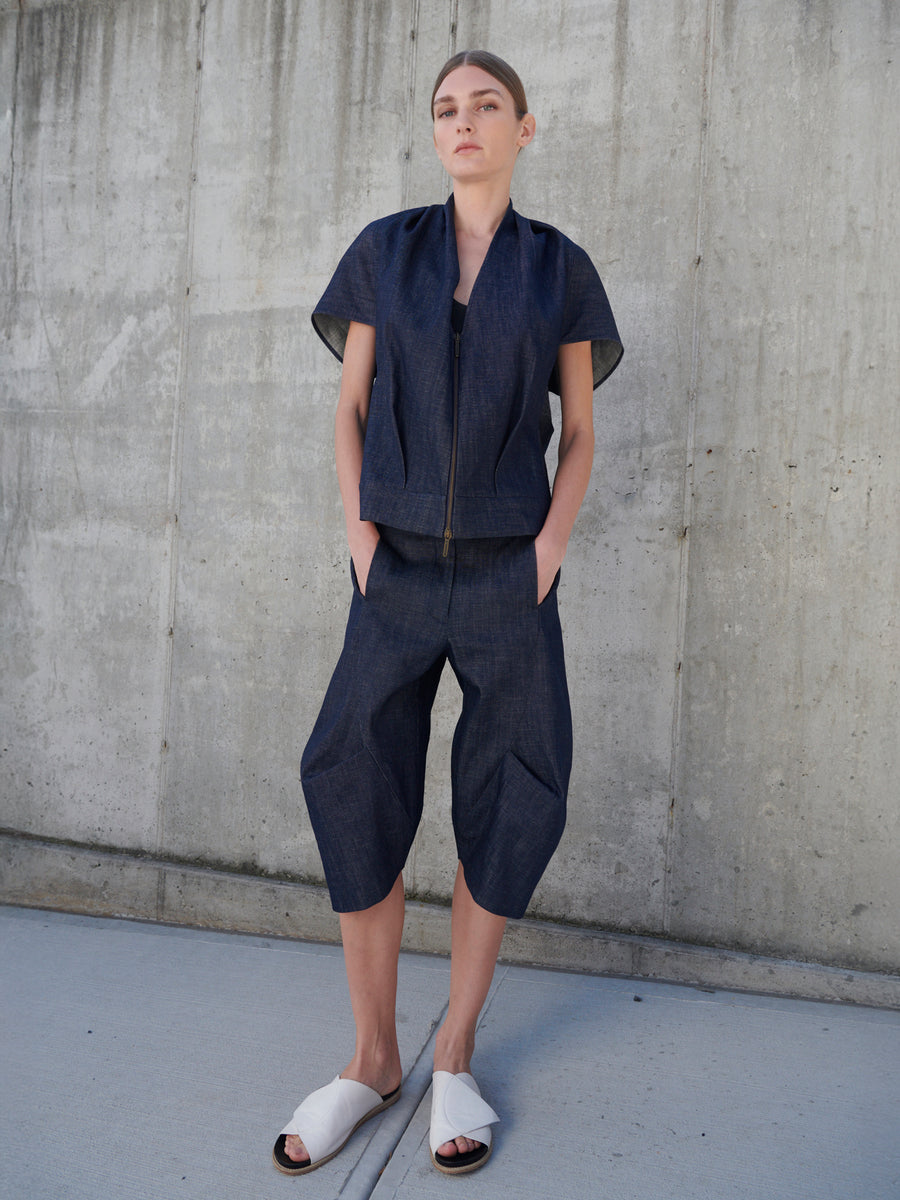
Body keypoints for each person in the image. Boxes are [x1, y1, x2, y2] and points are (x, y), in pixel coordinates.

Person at [272, 49, 622, 1177]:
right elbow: (350, 407)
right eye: (445, 110)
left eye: (485, 108)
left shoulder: (559, 268)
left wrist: (550, 552)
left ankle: (456, 1048)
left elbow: (582, 431)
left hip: (512, 574)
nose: (462, 124)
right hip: (398, 565)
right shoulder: (388, 250)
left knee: (514, 783)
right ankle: (374, 1057)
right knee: (350, 767)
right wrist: (359, 538)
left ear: (527, 127)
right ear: (434, 134)